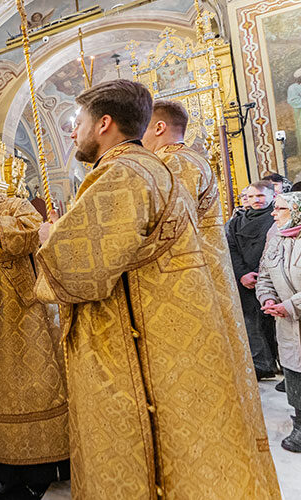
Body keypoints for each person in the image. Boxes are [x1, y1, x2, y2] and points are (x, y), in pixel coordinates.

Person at [34, 79, 280, 498]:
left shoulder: (120, 171)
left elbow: (74, 271)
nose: (73, 132)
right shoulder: (154, 166)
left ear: (104, 124)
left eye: (78, 122)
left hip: (135, 335)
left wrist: (48, 236)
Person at [143, 100, 278, 477]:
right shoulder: (186, 159)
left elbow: (168, 222)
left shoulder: (179, 162)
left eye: (142, 129)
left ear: (158, 128)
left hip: (195, 280)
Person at [0, 161, 69, 497]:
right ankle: (4, 463)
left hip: (27, 308)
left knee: (38, 383)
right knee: (1, 388)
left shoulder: (15, 204)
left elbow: (34, 236)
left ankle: (44, 465)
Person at [258, 192, 301, 453]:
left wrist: (288, 307)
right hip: (286, 325)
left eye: (280, 208)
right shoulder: (277, 241)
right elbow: (264, 275)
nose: (274, 214)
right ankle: (300, 426)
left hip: (291, 312)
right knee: (295, 376)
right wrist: (267, 299)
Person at [228, 180, 280, 379]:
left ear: (271, 196)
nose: (255, 200)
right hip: (245, 279)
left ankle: (281, 364)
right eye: (251, 196)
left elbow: (274, 248)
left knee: (272, 323)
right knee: (251, 323)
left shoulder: (276, 219)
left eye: (260, 196)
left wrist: (260, 274)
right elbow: (231, 248)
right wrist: (242, 274)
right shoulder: (236, 221)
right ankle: (262, 363)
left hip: (268, 278)